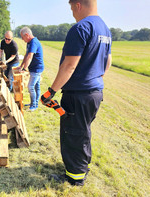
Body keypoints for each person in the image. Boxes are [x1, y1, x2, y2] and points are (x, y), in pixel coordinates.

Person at [41, 0, 112, 186]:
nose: (72, 12)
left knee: (73, 134)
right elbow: (107, 63)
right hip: (95, 92)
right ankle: (81, 165)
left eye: (72, 8)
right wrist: (93, 75)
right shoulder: (105, 29)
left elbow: (69, 65)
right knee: (82, 131)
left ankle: (74, 177)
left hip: (78, 94)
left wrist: (51, 91)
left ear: (78, 5)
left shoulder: (80, 28)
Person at [17, 27, 44, 112]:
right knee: (36, 86)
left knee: (31, 86)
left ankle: (34, 105)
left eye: (22, 37)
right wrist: (21, 66)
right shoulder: (29, 43)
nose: (22, 39)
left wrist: (24, 69)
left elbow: (30, 56)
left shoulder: (34, 42)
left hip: (37, 69)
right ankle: (34, 103)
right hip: (34, 68)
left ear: (27, 35)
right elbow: (26, 55)